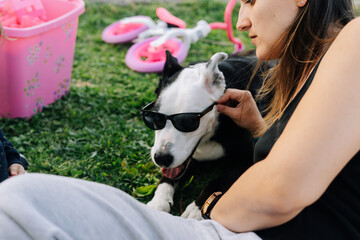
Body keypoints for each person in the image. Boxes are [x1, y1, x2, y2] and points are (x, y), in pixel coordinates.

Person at [0, 0, 359, 239]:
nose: (242, 21)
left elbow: (280, 191)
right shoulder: (307, 73)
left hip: (243, 230)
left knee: (19, 201)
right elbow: (323, 172)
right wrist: (259, 129)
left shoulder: (355, 40)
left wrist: (206, 207)